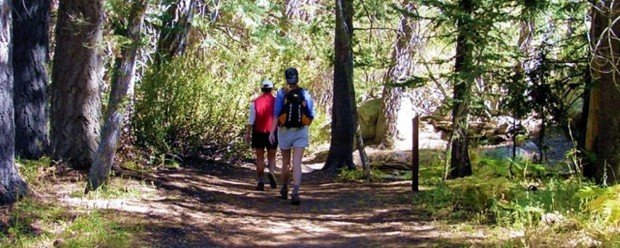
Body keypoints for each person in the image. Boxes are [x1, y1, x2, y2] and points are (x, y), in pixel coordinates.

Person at [269, 67, 314, 205]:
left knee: (285, 162)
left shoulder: (282, 93)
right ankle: (296, 191)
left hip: (284, 131)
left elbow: (276, 115)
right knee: (297, 163)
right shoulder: (305, 93)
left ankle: (284, 189)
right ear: (297, 78)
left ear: (286, 78)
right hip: (301, 131)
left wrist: (272, 132)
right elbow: (311, 114)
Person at [245, 79, 278, 191]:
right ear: (271, 89)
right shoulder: (276, 101)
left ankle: (260, 181)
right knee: (272, 156)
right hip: (273, 132)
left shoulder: (255, 102)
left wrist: (248, 134)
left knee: (259, 157)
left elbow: (251, 120)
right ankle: (272, 173)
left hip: (258, 131)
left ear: (262, 89)